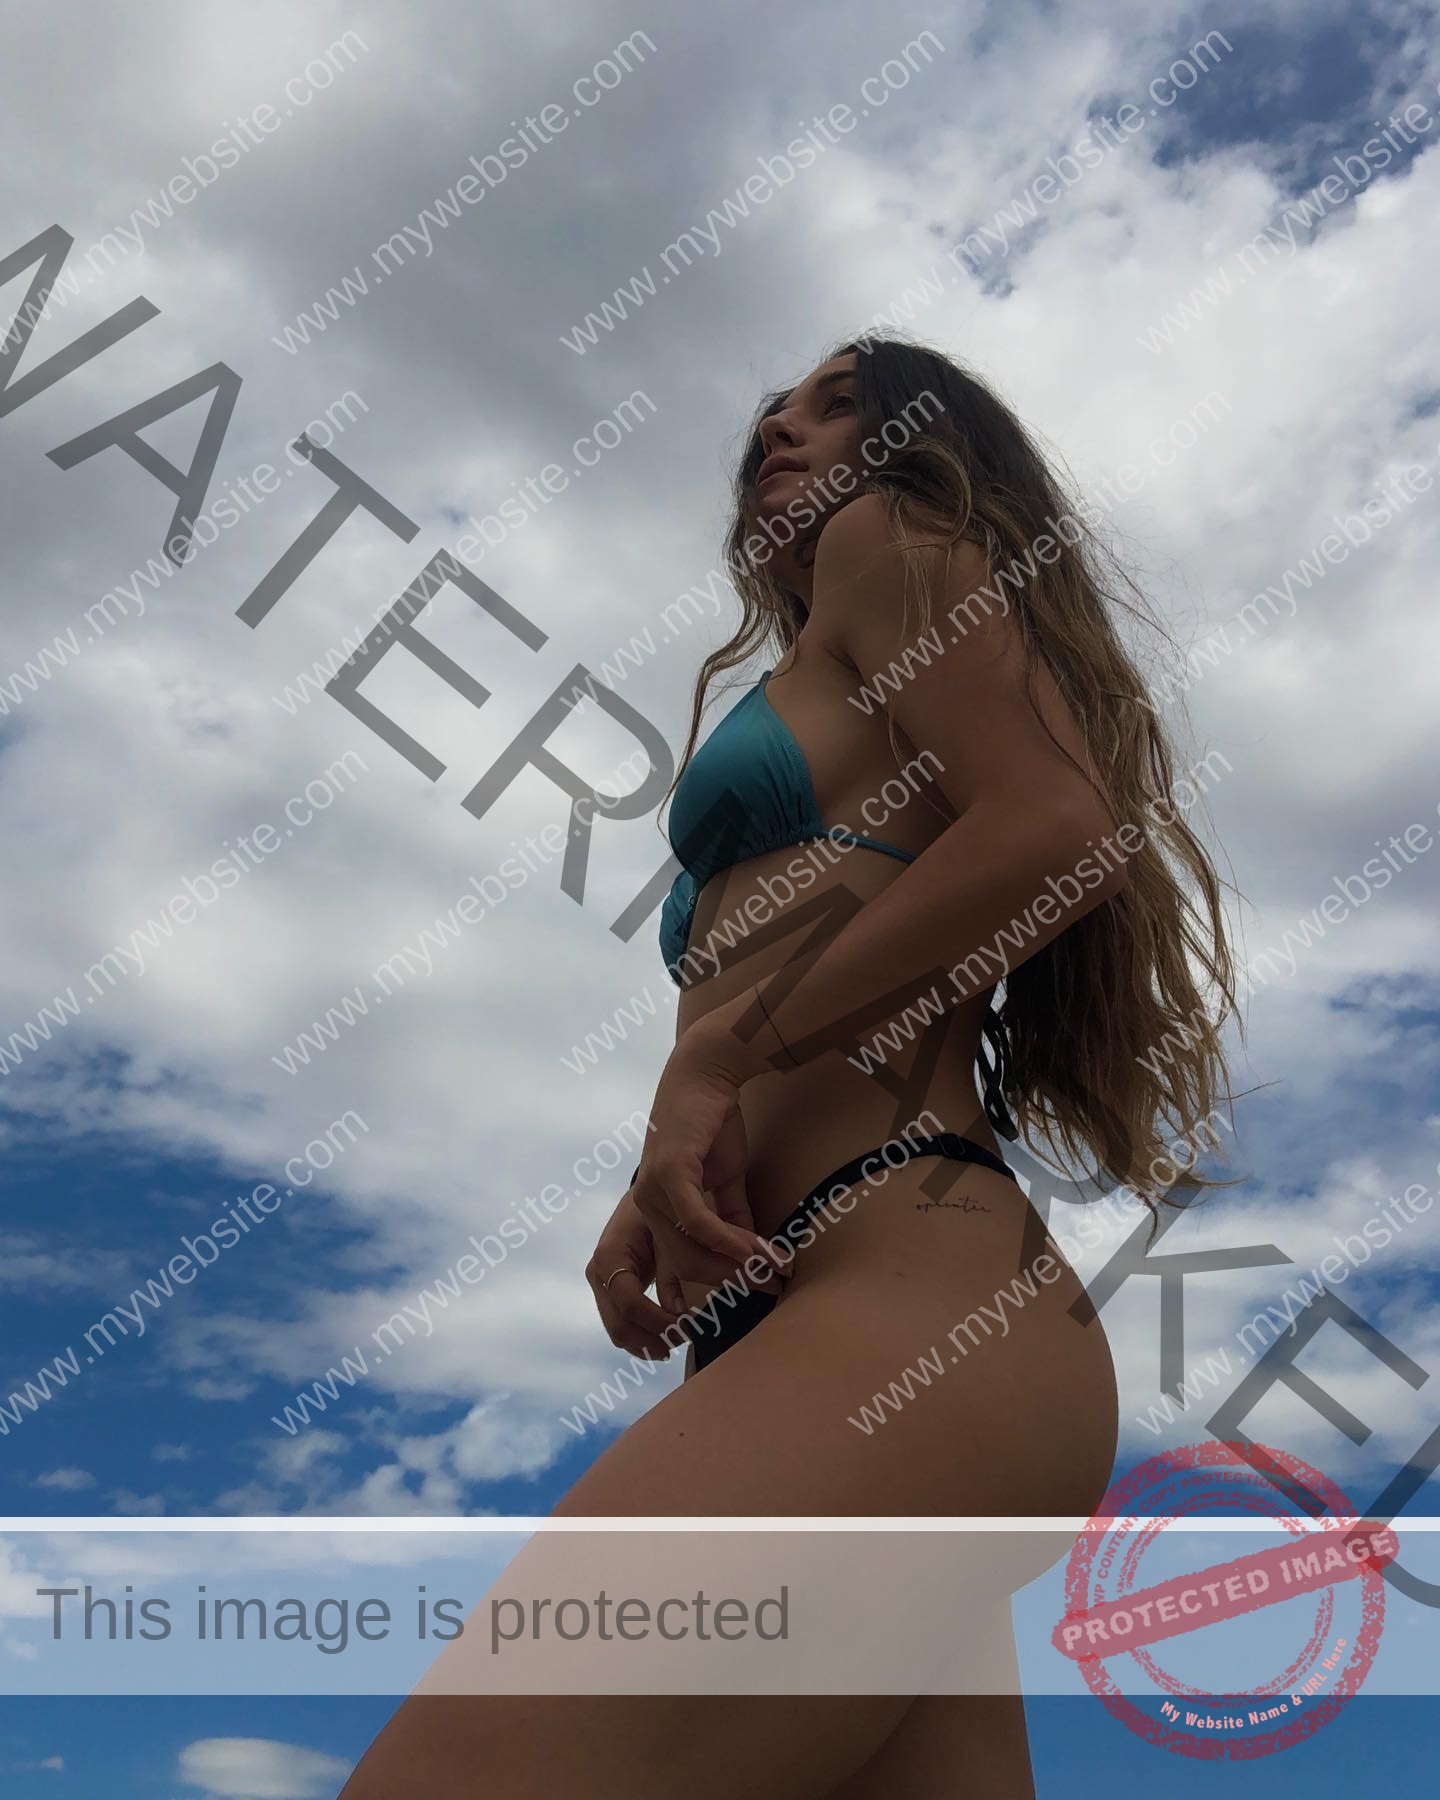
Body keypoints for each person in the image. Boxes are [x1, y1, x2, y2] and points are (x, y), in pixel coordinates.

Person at [341, 335, 1239, 1796]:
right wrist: (681, 1161)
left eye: (840, 403)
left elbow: (1058, 828)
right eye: (773, 403)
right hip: (854, 1305)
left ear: (926, 446)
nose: (783, 422)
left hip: (909, 1291)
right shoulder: (825, 647)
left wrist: (711, 1068)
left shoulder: (901, 542)